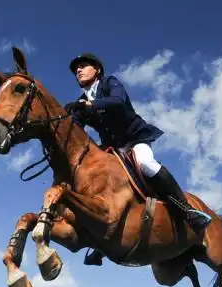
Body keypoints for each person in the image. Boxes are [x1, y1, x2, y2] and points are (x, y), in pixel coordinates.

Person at [64, 53, 212, 266]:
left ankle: (187, 211)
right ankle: (99, 244)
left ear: (97, 69)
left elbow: (117, 102)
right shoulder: (81, 101)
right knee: (99, 186)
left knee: (146, 164)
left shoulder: (109, 82)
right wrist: (65, 118)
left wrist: (88, 106)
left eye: (83, 65)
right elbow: (74, 128)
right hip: (112, 150)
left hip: (135, 140)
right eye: (76, 68)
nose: (79, 70)